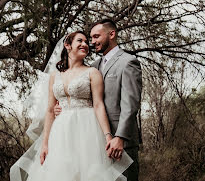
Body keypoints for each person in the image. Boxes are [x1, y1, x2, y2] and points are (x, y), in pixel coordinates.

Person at [10, 31, 132, 181]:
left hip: (87, 130)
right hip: (60, 132)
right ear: (67, 45)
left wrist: (108, 136)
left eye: (87, 42)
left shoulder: (92, 72)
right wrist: (45, 143)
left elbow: (98, 105)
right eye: (80, 41)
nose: (85, 45)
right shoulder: (55, 75)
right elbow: (49, 110)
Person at [56, 19, 143, 181]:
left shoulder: (128, 62)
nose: (92, 42)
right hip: (95, 141)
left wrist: (120, 137)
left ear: (111, 34)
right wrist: (61, 107)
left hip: (120, 141)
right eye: (91, 38)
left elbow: (130, 105)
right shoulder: (93, 66)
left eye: (96, 37)